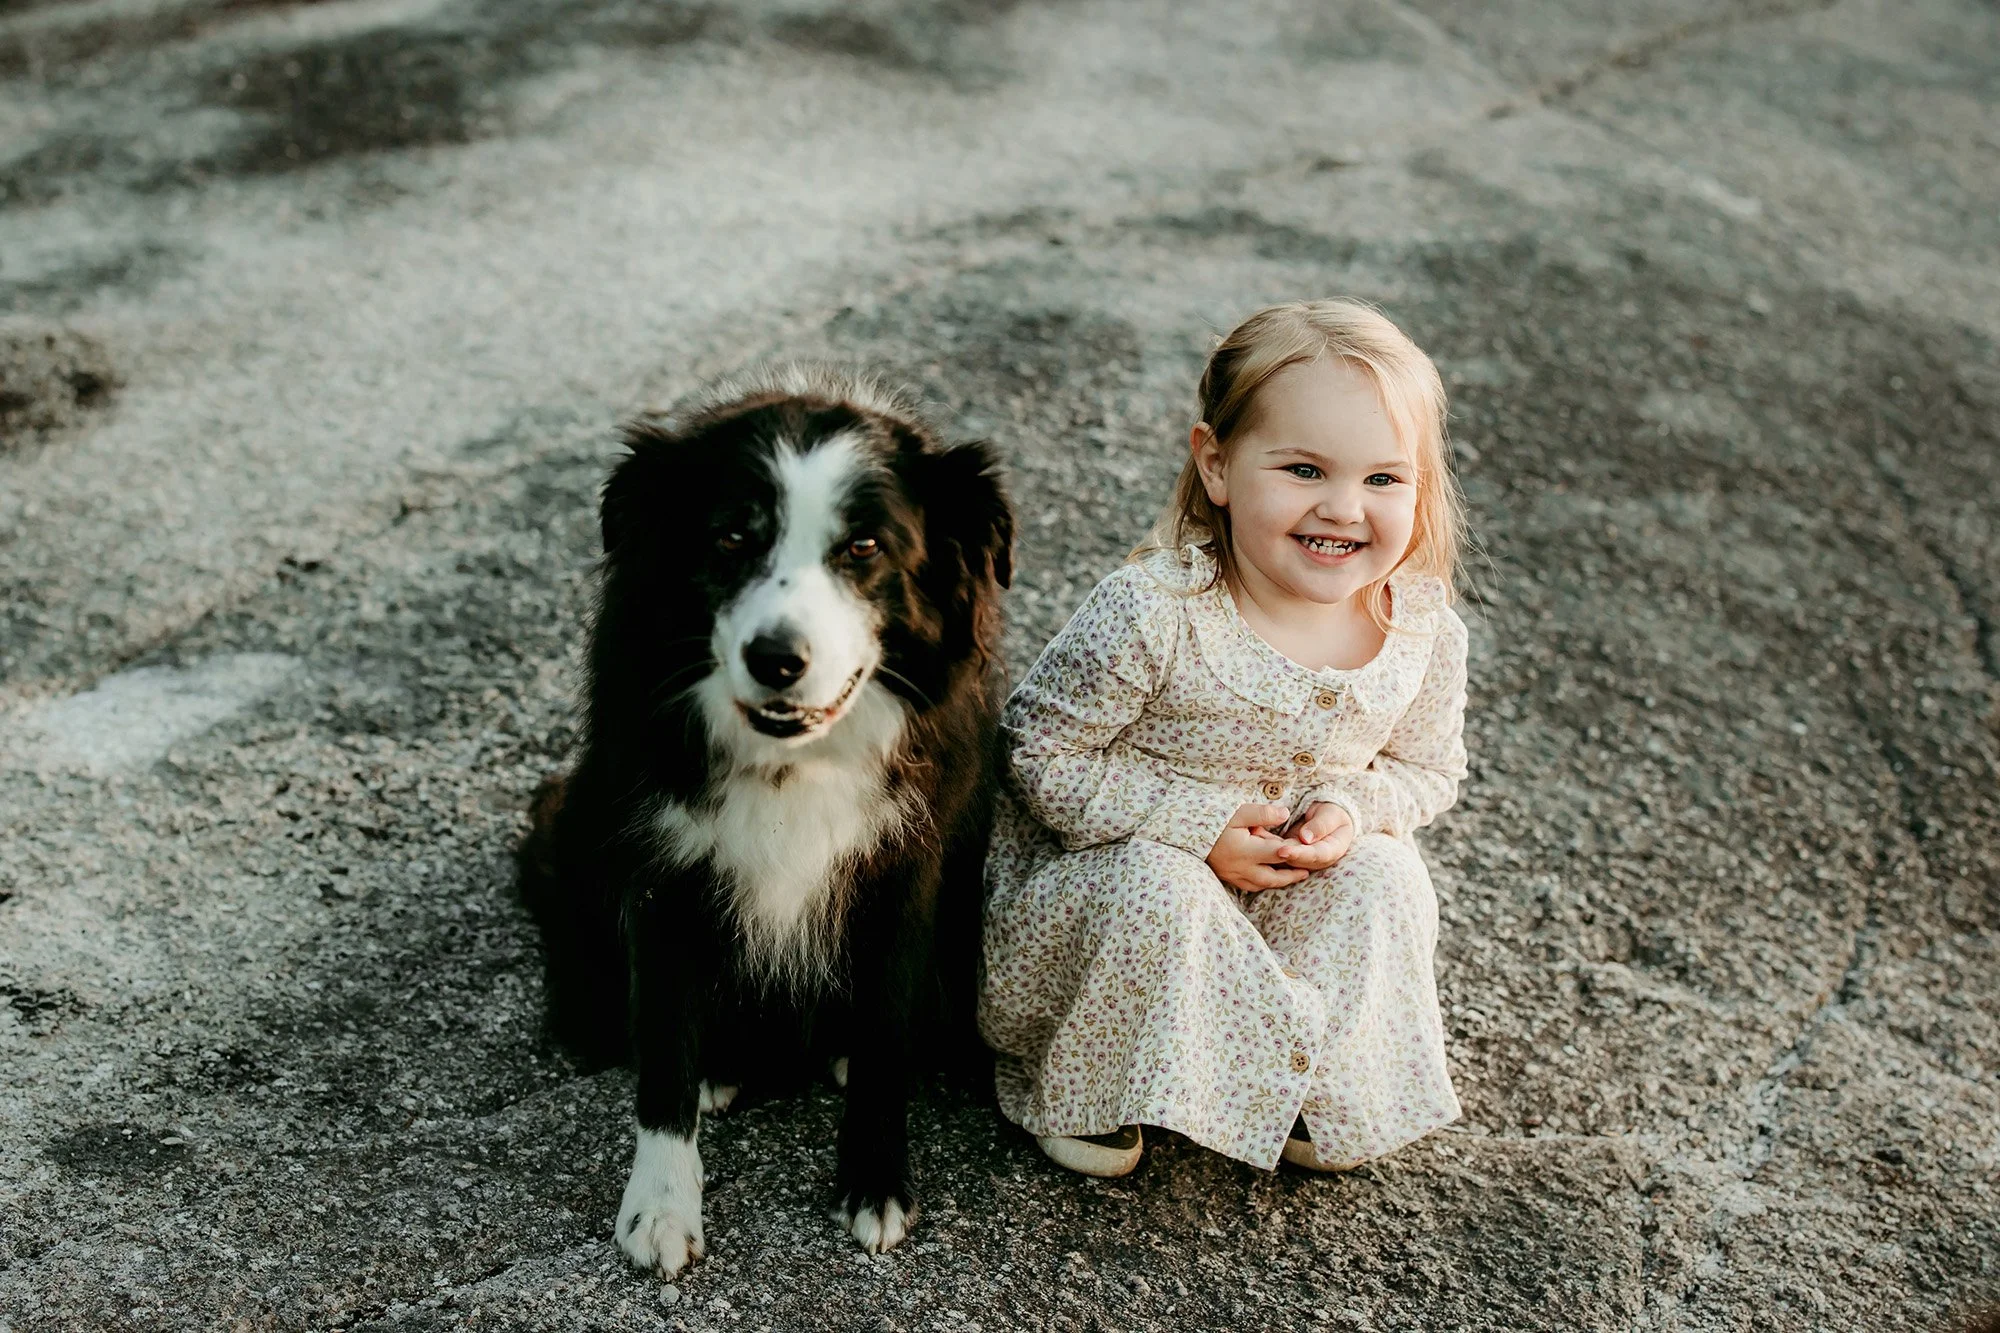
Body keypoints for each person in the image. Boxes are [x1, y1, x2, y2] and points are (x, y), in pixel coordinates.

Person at [979, 298, 1470, 1176]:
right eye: (1305, 469)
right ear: (1216, 465)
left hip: (1282, 896)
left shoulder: (1422, 628)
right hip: (1114, 895)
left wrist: (1351, 810)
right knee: (1160, 886)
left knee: (1389, 873)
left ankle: (1311, 1083)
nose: (1345, 508)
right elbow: (1032, 753)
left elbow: (1426, 770)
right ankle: (1093, 1084)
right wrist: (1197, 824)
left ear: (1422, 484)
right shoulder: (1155, 612)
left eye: (1384, 479)